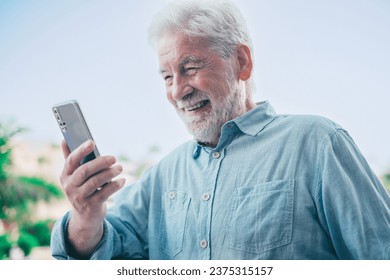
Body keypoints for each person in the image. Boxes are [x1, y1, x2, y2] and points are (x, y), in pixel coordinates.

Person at [51, 0, 390, 260]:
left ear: (242, 62)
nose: (177, 91)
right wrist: (85, 214)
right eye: (167, 77)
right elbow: (99, 247)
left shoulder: (318, 143)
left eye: (191, 68)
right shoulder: (164, 176)